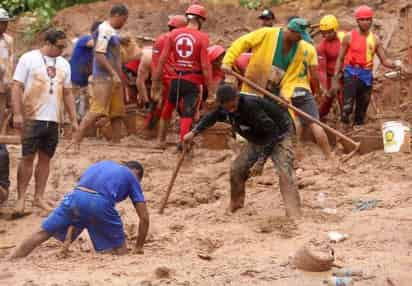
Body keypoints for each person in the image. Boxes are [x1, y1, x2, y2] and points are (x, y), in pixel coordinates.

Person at [222, 18, 333, 159]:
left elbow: (290, 76)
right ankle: (244, 154)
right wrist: (228, 60)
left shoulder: (299, 48)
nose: (300, 40)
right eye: (299, 36)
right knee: (246, 116)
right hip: (254, 82)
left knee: (277, 121)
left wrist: (285, 94)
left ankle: (273, 155)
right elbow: (242, 43)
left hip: (275, 87)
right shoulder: (267, 34)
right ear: (291, 31)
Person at [183, 84, 301, 217]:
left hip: (279, 135)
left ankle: (294, 212)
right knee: (237, 169)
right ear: (221, 104)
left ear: (237, 98)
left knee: (285, 173)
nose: (231, 111)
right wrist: (194, 132)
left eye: (233, 106)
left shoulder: (251, 106)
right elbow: (212, 117)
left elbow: (272, 132)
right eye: (228, 108)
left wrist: (261, 161)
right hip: (257, 138)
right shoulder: (223, 108)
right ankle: (236, 205)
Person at [10, 160, 150, 259]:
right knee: (121, 252)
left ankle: (12, 259)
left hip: (75, 196)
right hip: (99, 203)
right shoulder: (131, 177)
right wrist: (138, 247)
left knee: (42, 233)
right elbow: (144, 218)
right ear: (137, 176)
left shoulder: (102, 165)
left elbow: (84, 199)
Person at [11, 29, 77, 215]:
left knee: (45, 158)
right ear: (47, 42)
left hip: (53, 118)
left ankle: (38, 197)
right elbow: (17, 86)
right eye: (59, 46)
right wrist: (17, 113)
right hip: (32, 116)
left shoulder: (64, 64)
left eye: (64, 47)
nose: (62, 50)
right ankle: (21, 198)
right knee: (27, 157)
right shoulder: (28, 58)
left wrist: (72, 119)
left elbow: (68, 92)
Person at [152, 4, 211, 150]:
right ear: (201, 20)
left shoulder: (173, 34)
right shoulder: (203, 37)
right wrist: (210, 88)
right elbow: (205, 66)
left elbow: (162, 59)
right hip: (193, 80)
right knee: (188, 112)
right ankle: (184, 145)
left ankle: (160, 141)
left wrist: (155, 82)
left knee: (168, 108)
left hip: (175, 79)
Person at [333, 5, 403, 127]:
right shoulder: (349, 37)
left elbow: (384, 60)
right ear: (357, 21)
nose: (365, 22)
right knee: (347, 107)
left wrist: (396, 64)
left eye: (368, 19)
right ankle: (343, 133)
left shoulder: (375, 39)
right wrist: (336, 76)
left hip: (366, 77)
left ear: (371, 20)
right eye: (362, 19)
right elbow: (340, 58)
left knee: (362, 109)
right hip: (351, 74)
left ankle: (358, 133)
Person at [73, 4, 129, 147]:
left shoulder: (111, 31)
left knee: (117, 112)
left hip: (113, 77)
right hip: (104, 77)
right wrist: (113, 73)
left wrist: (120, 40)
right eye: (124, 19)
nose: (124, 23)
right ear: (117, 15)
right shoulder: (104, 29)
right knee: (97, 110)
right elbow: (99, 54)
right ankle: (76, 140)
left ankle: (116, 143)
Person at [137, 15, 187, 130]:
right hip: (172, 78)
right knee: (181, 107)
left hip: (161, 77)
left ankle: (149, 131)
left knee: (159, 106)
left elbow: (155, 63)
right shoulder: (178, 39)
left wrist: (155, 83)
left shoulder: (160, 39)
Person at [69, 21, 102, 122]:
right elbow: (93, 44)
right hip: (74, 80)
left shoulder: (95, 45)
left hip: (83, 81)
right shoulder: (86, 39)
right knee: (73, 104)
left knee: (83, 104)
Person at [317, 15, 345, 120]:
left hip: (345, 73)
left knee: (344, 98)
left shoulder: (343, 38)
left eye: (329, 32)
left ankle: (345, 119)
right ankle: (319, 118)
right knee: (327, 99)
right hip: (331, 77)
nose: (326, 35)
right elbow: (321, 69)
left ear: (335, 29)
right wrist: (324, 87)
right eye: (324, 33)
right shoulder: (321, 47)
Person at [0, 8, 15, 133]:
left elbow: (10, 60)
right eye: (1, 22)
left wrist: (10, 80)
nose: (4, 26)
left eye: (6, 22)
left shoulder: (8, 40)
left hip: (4, 84)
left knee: (2, 111)